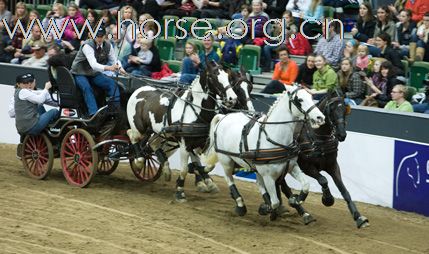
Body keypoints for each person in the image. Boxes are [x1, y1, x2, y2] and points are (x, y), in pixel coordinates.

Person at [70, 26, 125, 117]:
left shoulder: (108, 46)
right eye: (97, 36)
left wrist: (120, 68)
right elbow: (94, 65)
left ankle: (115, 110)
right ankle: (94, 114)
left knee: (112, 84)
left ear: (105, 36)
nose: (99, 38)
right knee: (87, 88)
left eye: (101, 36)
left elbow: (114, 60)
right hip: (80, 73)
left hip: (93, 74)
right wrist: (109, 68)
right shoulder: (87, 45)